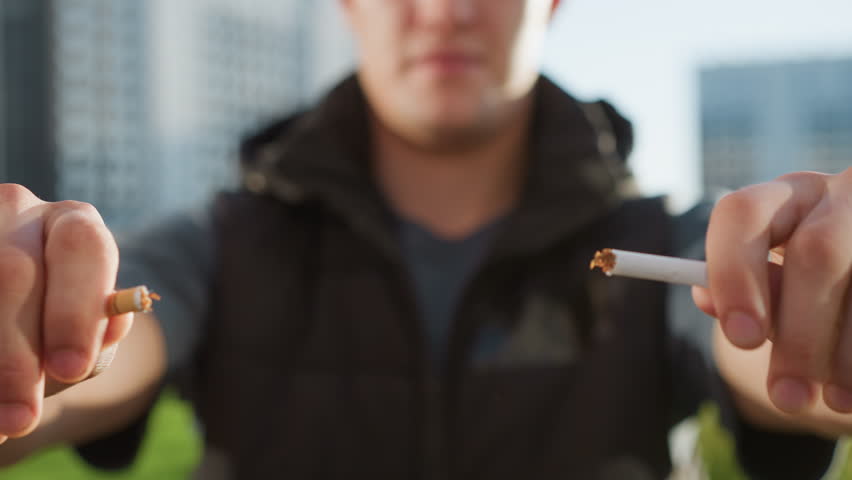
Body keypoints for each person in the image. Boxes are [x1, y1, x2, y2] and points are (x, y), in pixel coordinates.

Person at [1, 0, 851, 478]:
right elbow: (105, 351)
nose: (444, 11)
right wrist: (38, 326)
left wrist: (820, 315)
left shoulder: (661, 236)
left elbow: (766, 356)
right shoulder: (221, 242)